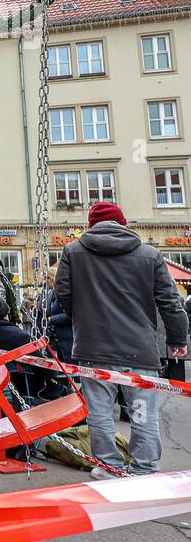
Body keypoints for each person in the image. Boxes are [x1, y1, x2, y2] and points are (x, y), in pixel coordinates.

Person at [56, 202, 189, 478]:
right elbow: (170, 302)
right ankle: (144, 468)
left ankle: (108, 466)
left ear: (90, 226)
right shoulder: (149, 255)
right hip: (138, 349)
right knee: (142, 414)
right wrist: (177, 339)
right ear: (124, 223)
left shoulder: (73, 252)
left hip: (94, 348)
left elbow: (63, 294)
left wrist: (82, 319)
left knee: (100, 412)